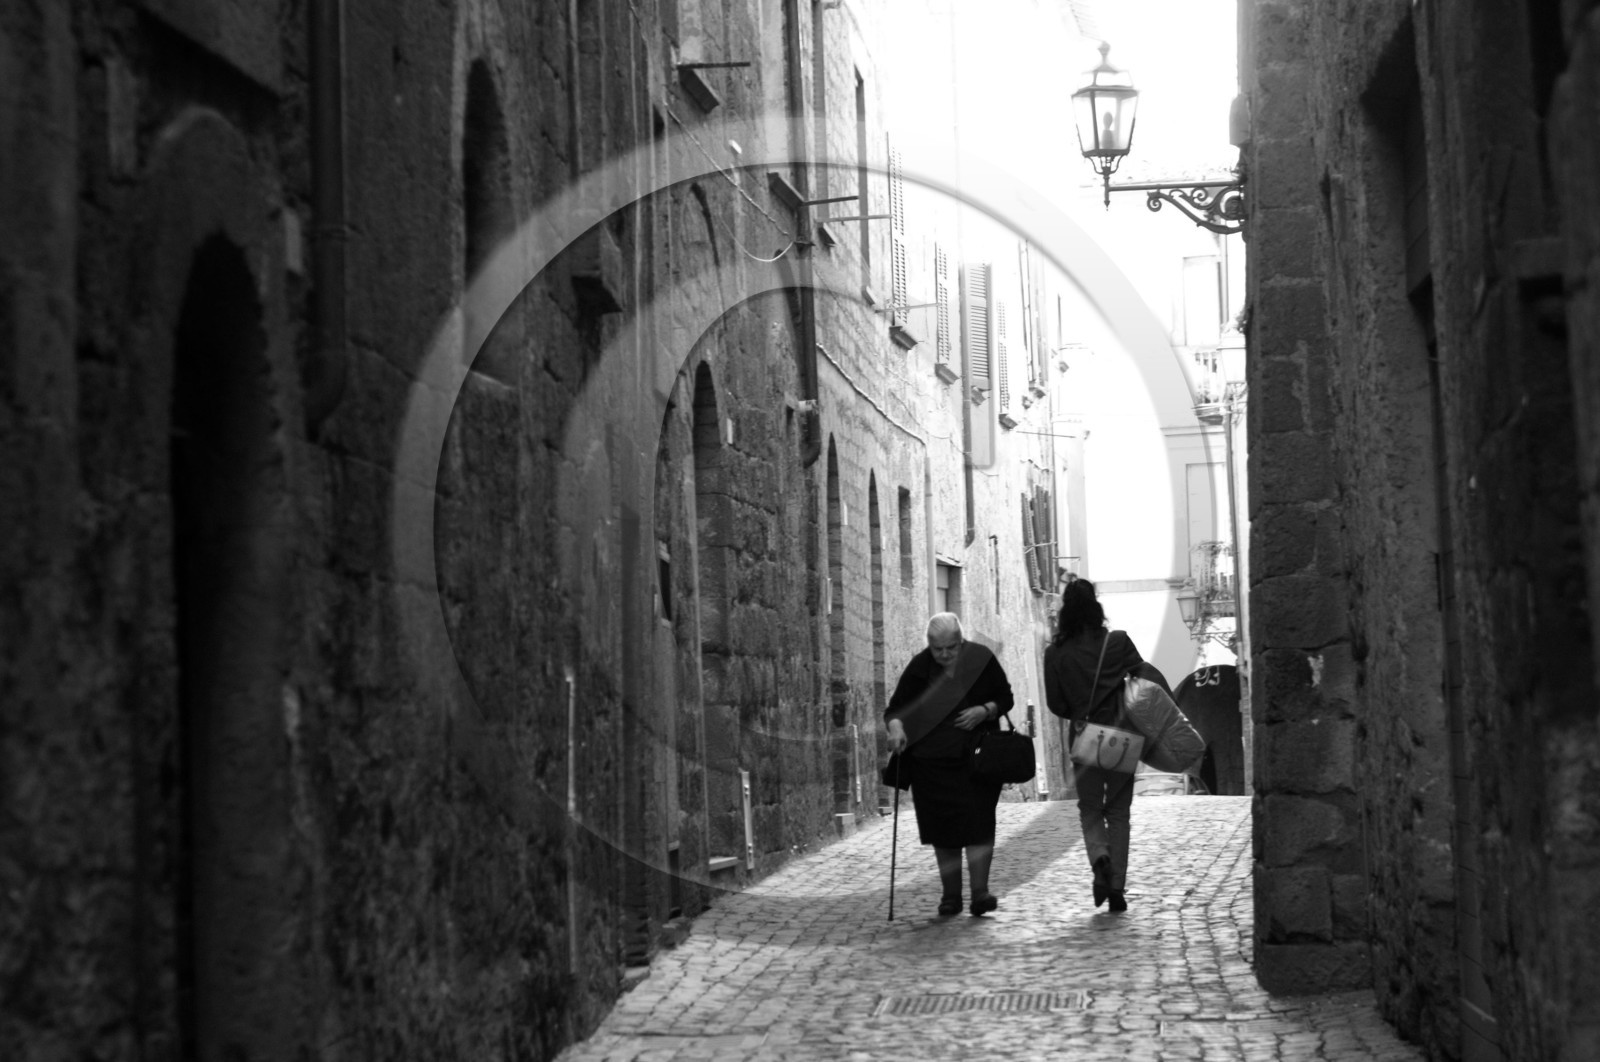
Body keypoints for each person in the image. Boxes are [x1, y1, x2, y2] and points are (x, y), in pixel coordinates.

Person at [1042, 577, 1170, 913]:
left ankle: (1099, 857)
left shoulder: (1054, 654)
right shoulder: (1118, 642)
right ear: (1096, 607)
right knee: (1118, 812)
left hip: (1084, 738)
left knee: (1090, 808)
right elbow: (1146, 676)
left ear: (1066, 612)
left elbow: (1056, 704)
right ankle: (1116, 888)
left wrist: (1080, 711)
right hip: (1122, 737)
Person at [885, 612, 1015, 917]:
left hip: (977, 760)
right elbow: (896, 710)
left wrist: (984, 711)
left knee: (979, 824)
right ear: (929, 645)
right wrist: (896, 729)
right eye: (937, 649)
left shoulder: (981, 659)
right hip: (931, 764)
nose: (944, 654)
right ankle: (950, 897)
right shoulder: (920, 667)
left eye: (951, 648)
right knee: (942, 830)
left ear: (961, 640)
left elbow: (1005, 698)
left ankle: (980, 893)